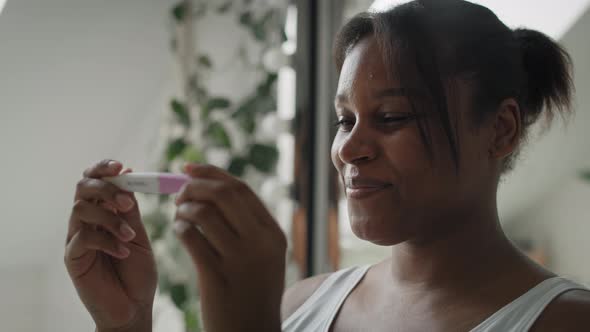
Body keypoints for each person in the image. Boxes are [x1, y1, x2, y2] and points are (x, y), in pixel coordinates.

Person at [65, 1, 590, 331]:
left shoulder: (566, 322)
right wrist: (127, 322)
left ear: (500, 129)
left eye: (391, 116)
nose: (348, 149)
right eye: (345, 119)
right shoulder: (302, 303)